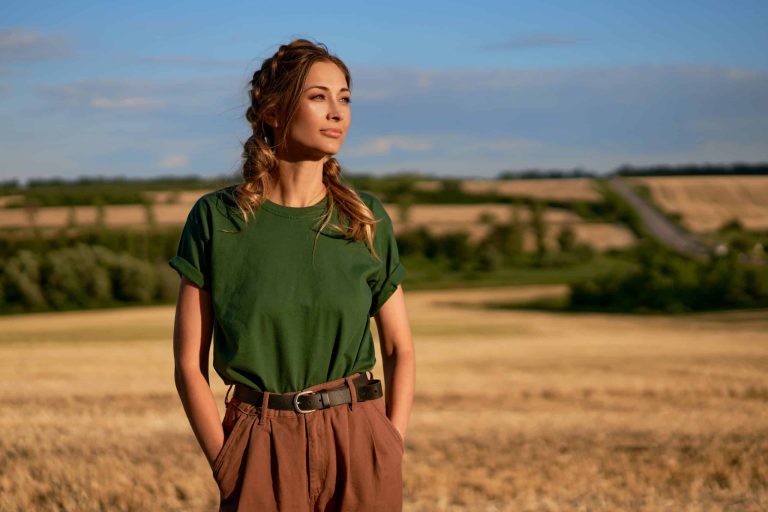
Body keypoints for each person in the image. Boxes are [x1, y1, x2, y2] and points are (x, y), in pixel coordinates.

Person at [169, 38, 415, 511]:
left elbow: (399, 347)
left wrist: (389, 443)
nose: (337, 112)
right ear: (274, 112)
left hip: (359, 438)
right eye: (318, 96)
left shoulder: (365, 220)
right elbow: (187, 364)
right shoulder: (216, 219)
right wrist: (228, 461)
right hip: (260, 440)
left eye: (344, 98)